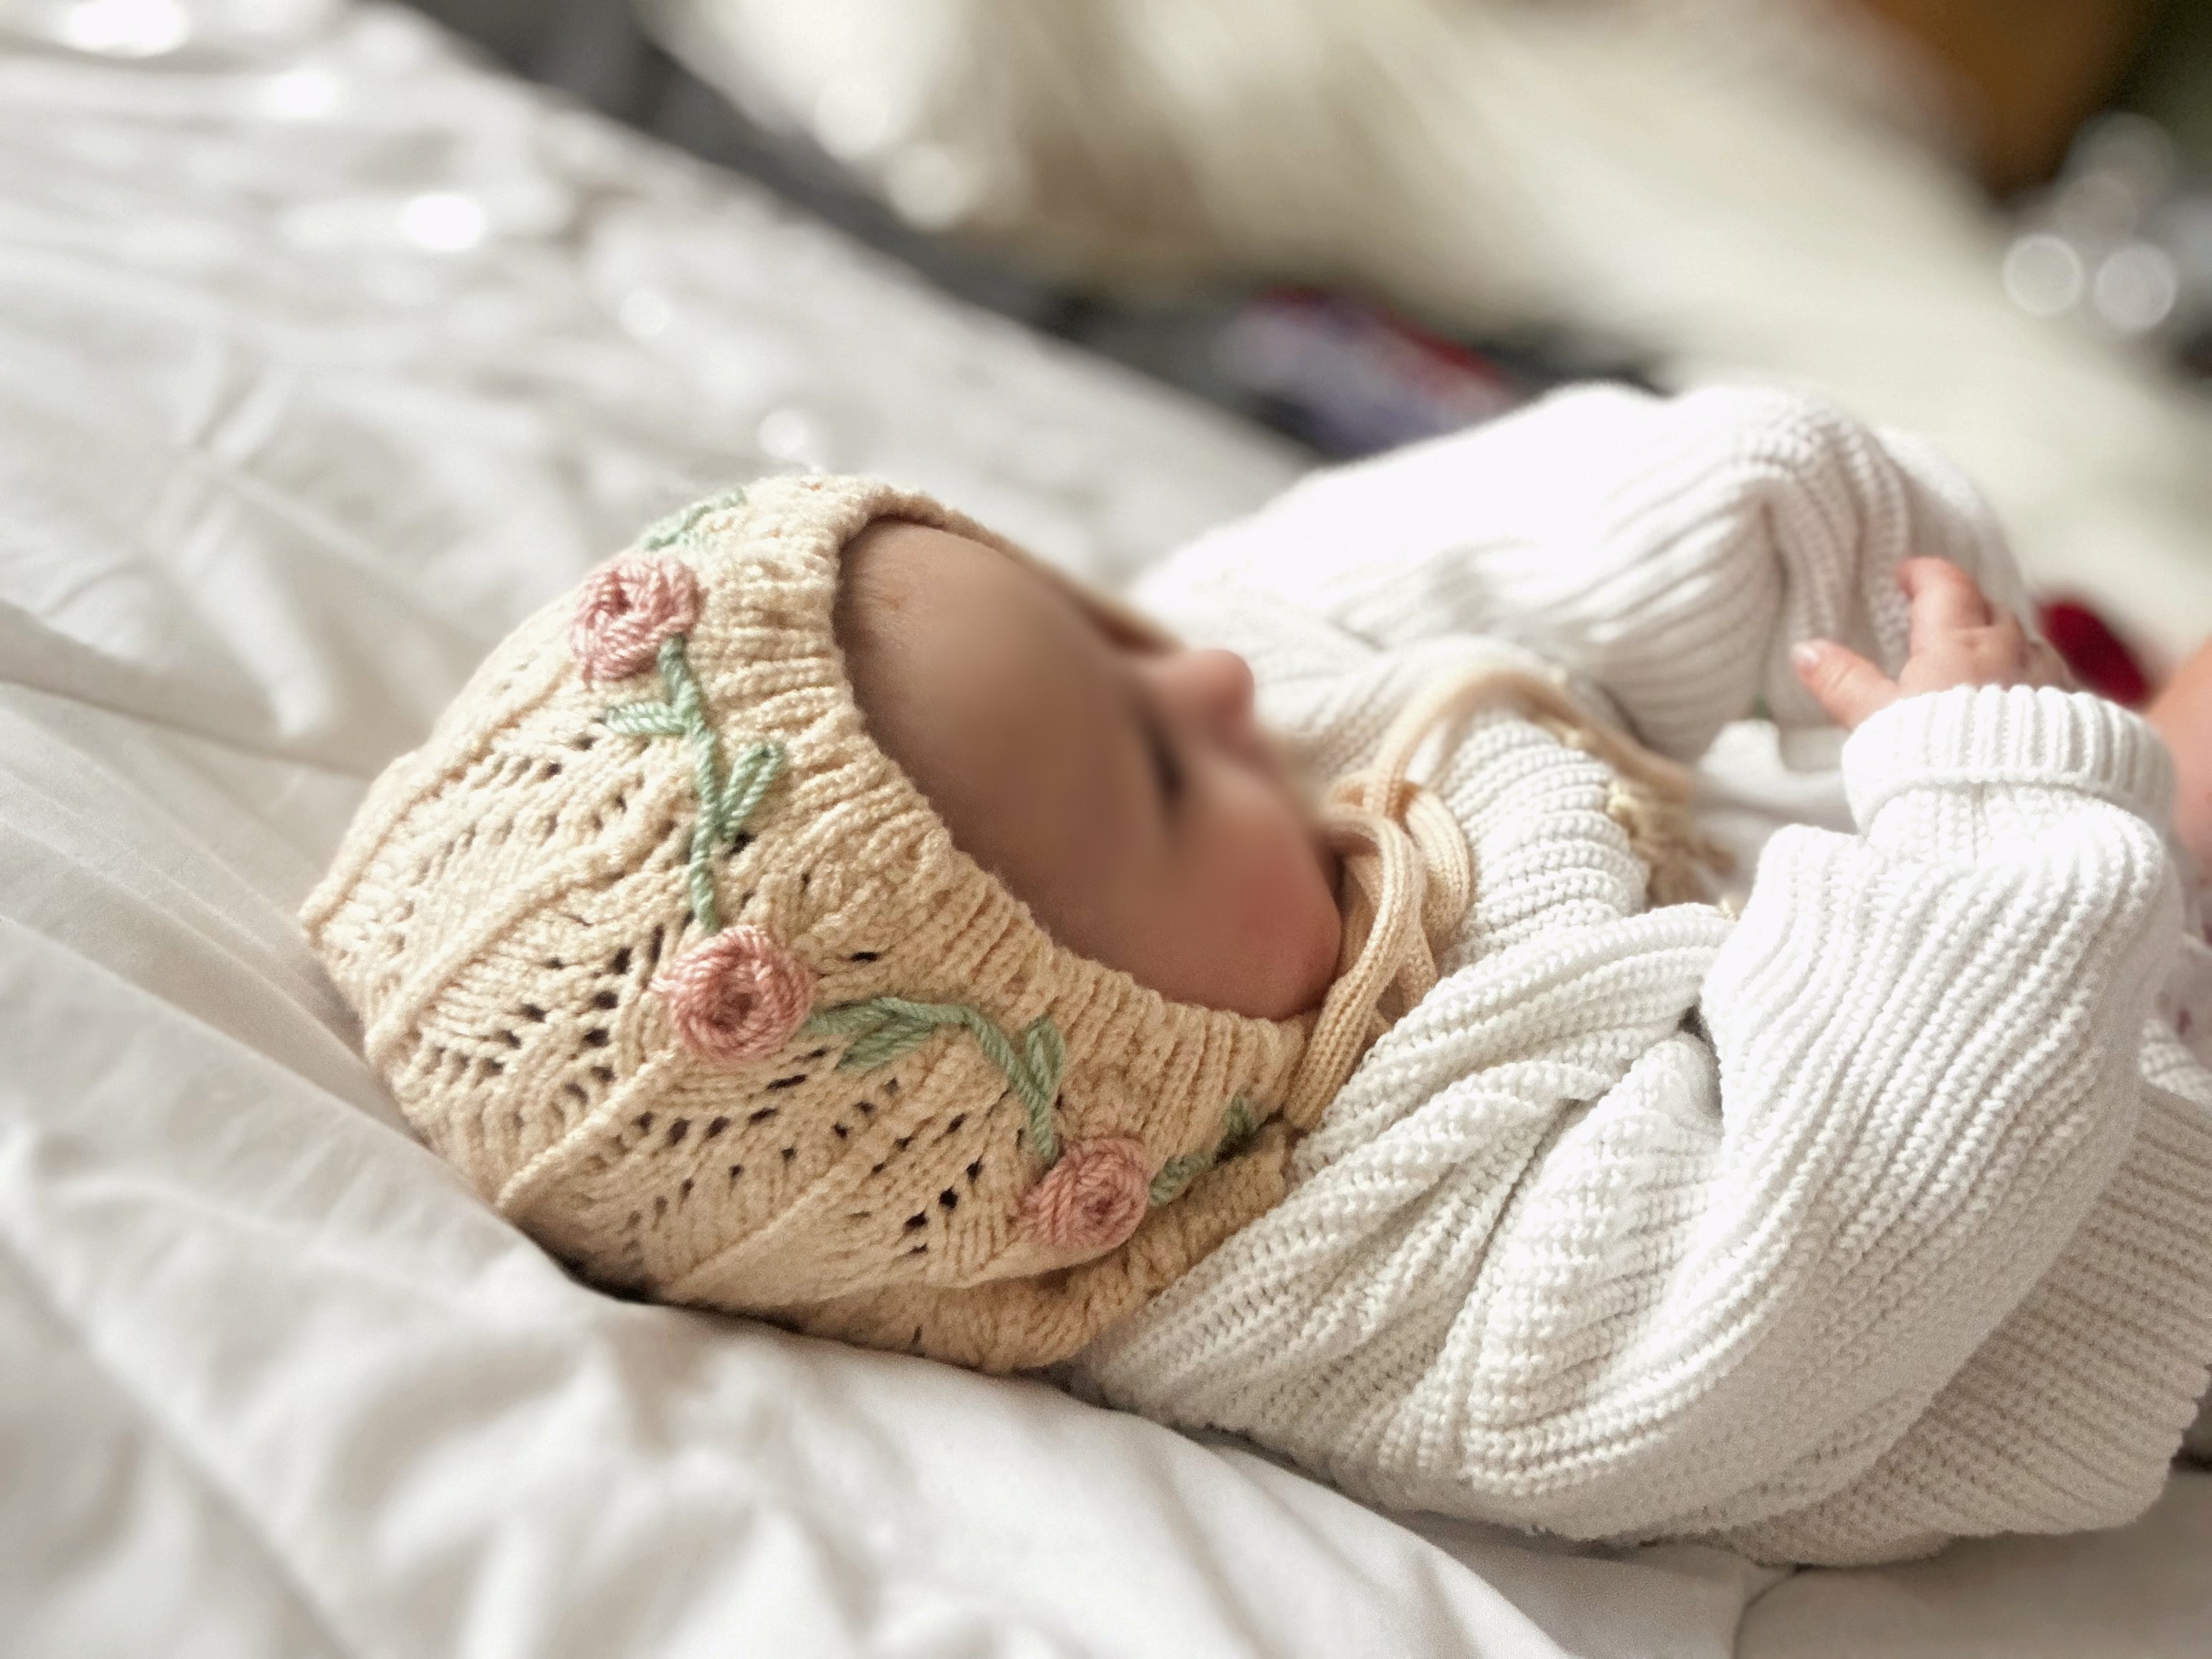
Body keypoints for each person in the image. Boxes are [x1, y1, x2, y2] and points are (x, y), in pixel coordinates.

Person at [302, 385, 2212, 1565]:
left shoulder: (1211, 765)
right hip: (2116, 1185)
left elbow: (1394, 577)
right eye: (1154, 760)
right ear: (1098, 1090)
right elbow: (1836, 1217)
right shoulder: (1370, 1275)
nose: (1209, 683)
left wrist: (1756, 505)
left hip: (2058, 897)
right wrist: (1992, 819)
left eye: (1099, 619)